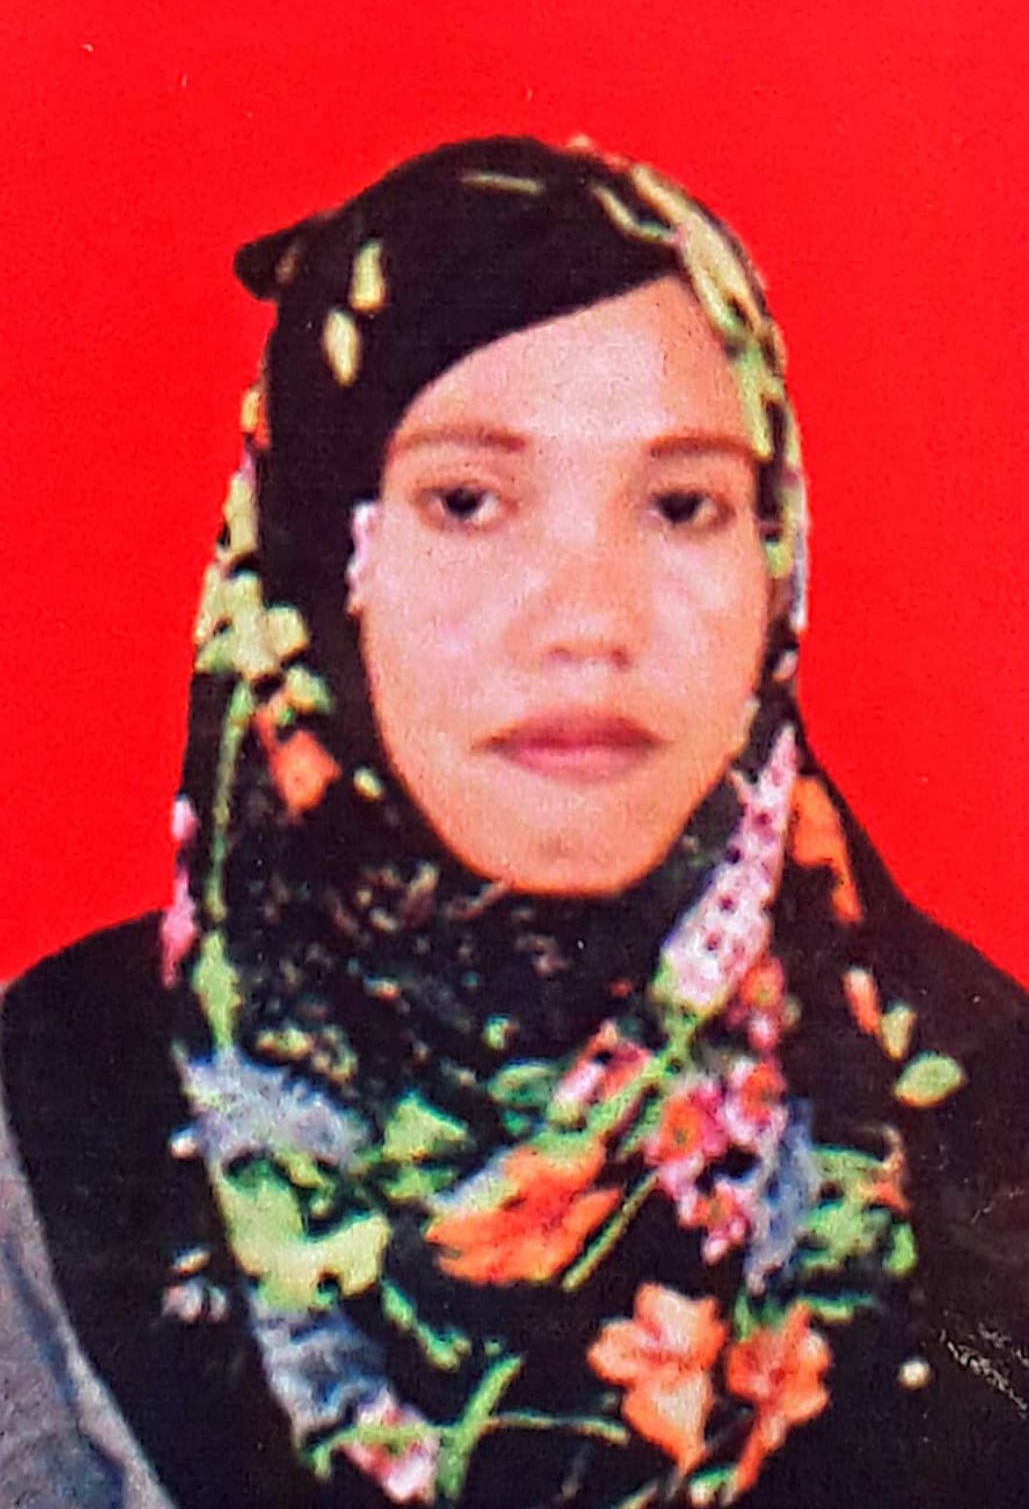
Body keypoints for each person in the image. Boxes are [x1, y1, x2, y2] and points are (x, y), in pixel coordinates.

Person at [1, 136, 1027, 1508]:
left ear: (774, 554)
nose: (588, 621)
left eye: (682, 504)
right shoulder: (55, 1115)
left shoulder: (979, 1112)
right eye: (469, 502)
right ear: (316, 554)